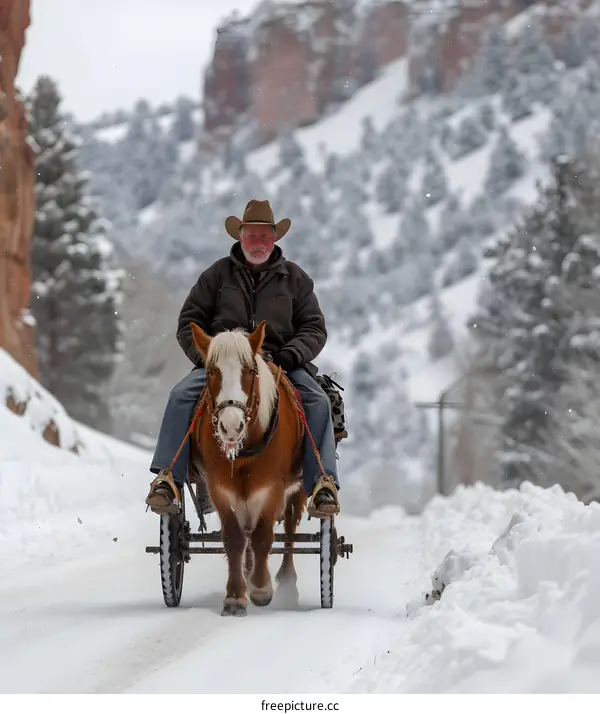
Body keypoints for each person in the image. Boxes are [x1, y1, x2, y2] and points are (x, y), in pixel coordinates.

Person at [145, 199, 340, 518]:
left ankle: (322, 484)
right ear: (240, 237)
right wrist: (208, 358)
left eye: (265, 236)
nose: (258, 242)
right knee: (181, 396)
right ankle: (168, 478)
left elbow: (314, 327)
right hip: (223, 365)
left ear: (275, 238)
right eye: (252, 235)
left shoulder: (296, 279)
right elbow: (188, 322)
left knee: (317, 401)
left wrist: (290, 356)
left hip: (282, 365)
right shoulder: (216, 275)